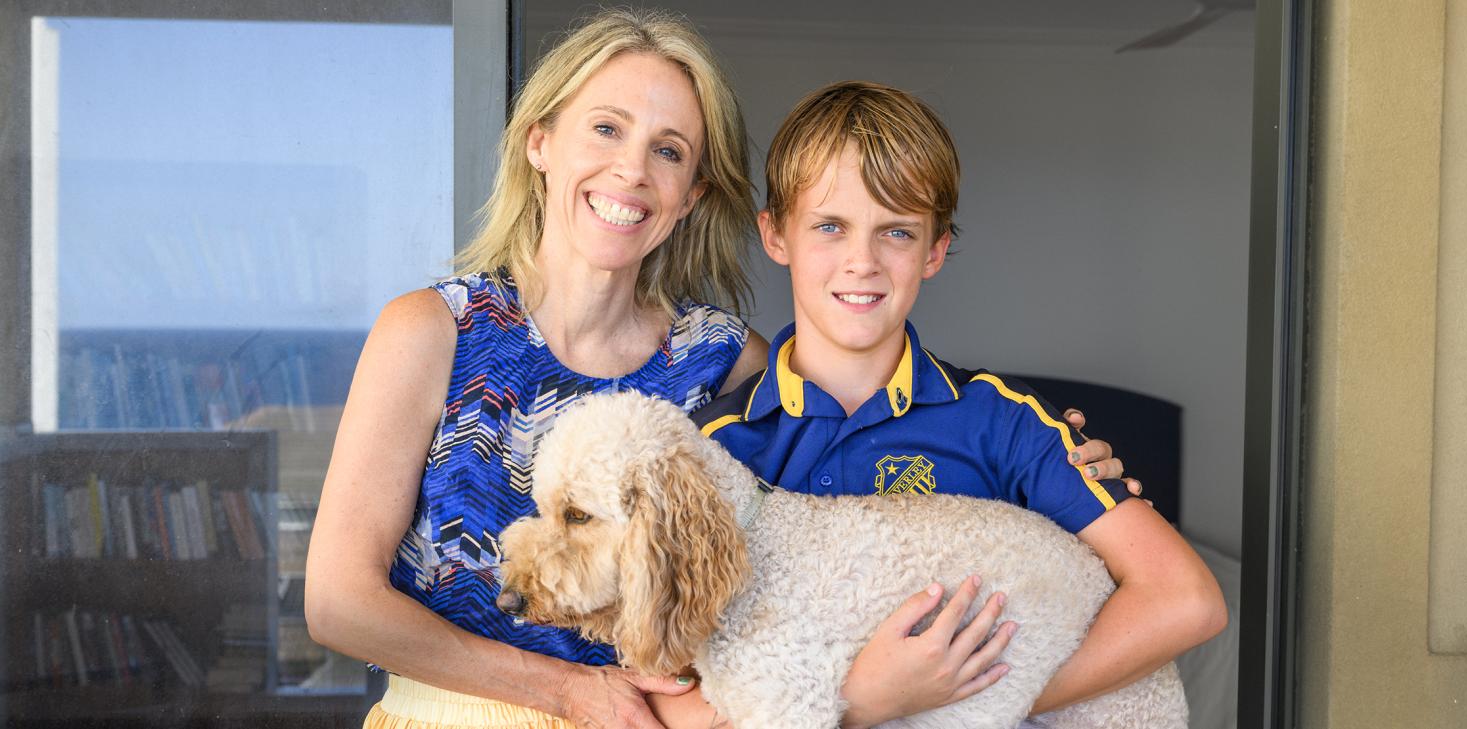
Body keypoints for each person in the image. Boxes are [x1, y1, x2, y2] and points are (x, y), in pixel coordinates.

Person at [305, 9, 1129, 729]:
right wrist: (566, 691)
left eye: (668, 150)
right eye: (606, 128)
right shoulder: (432, 331)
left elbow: (867, 439)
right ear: (541, 142)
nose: (632, 170)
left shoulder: (721, 358)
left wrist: (1059, 471)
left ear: (692, 193)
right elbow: (339, 601)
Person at [673, 81, 1229, 729]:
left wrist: (963, 698)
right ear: (776, 236)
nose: (863, 261)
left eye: (897, 232)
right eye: (830, 226)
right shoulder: (718, 449)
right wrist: (870, 703)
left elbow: (1187, 600)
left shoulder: (1005, 421)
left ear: (935, 249)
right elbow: (678, 698)